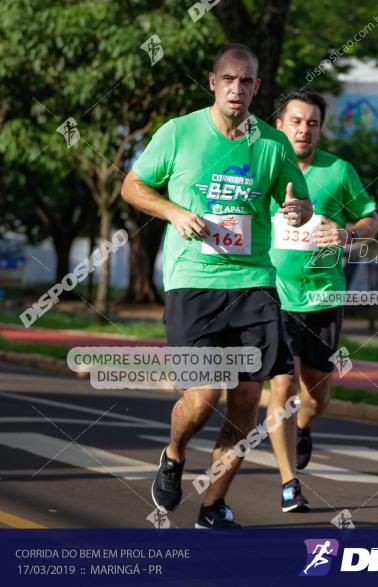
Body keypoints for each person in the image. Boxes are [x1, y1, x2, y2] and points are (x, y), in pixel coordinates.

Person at [120, 43, 313, 529]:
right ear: (213, 82)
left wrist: (297, 211)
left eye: (246, 81)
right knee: (203, 396)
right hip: (193, 283)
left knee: (248, 400)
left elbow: (300, 202)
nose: (237, 88)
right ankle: (174, 450)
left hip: (254, 284)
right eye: (229, 79)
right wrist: (173, 211)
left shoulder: (272, 144)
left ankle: (214, 503)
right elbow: (132, 186)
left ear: (256, 87)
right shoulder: (180, 133)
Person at [268, 90, 378, 512]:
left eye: (312, 122)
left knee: (316, 398)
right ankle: (288, 483)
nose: (304, 129)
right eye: (296, 121)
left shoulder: (338, 170)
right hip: (274, 294)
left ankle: (304, 425)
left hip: (323, 297)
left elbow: (372, 218)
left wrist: (349, 234)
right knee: (281, 386)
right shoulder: (264, 167)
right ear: (280, 125)